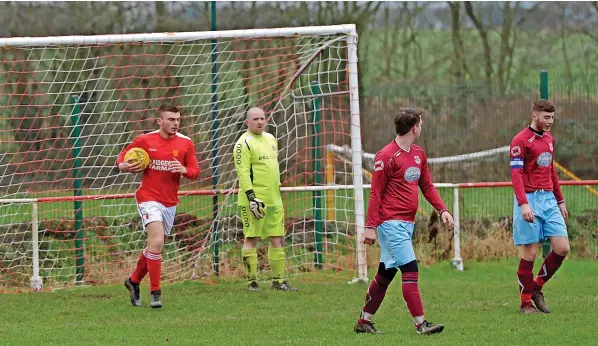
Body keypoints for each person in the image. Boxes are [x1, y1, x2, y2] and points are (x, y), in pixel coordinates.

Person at [354, 107, 454, 335]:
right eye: (421, 123)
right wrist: (370, 227)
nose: (422, 126)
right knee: (410, 269)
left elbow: (426, 185)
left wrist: (443, 209)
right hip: (390, 223)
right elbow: (375, 194)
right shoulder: (386, 156)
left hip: (405, 225)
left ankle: (364, 321)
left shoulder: (418, 153)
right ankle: (421, 324)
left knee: (385, 274)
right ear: (413, 127)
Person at [117, 104, 200, 308]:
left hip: (169, 201)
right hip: (148, 198)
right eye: (171, 119)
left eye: (178, 119)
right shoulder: (145, 140)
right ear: (160, 121)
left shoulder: (185, 143)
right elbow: (123, 157)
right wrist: (124, 166)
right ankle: (156, 293)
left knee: (154, 246)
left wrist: (184, 170)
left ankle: (133, 281)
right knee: (157, 242)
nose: (176, 123)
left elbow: (195, 170)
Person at [509, 99, 569, 314]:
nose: (550, 121)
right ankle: (526, 303)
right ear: (534, 116)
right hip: (530, 199)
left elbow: (551, 171)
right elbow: (515, 174)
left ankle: (536, 287)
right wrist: (523, 203)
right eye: (546, 117)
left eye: (552, 117)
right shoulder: (520, 140)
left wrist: (560, 200)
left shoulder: (550, 139)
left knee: (562, 248)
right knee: (530, 253)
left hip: (549, 200)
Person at [233, 107, 298, 292]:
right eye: (255, 119)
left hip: (274, 200)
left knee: (277, 238)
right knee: (251, 237)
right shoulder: (243, 143)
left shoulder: (270, 138)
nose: (260, 122)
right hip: (253, 201)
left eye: (262, 118)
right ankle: (252, 282)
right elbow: (243, 173)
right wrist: (252, 198)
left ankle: (278, 281)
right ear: (247, 122)